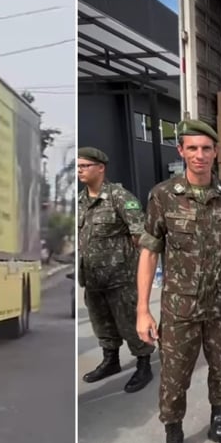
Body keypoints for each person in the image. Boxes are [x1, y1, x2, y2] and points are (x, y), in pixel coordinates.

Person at [136, 119, 221, 443]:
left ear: (216, 153)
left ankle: (218, 423)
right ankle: (174, 437)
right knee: (173, 376)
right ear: (181, 151)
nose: (200, 155)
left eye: (207, 148)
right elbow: (149, 252)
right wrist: (143, 309)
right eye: (192, 148)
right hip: (179, 306)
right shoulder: (163, 195)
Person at [77, 146, 155, 393]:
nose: (79, 170)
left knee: (131, 323)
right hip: (92, 279)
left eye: (85, 165)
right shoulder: (80, 201)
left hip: (120, 278)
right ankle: (111, 360)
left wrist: (140, 268)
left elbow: (140, 235)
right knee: (102, 324)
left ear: (100, 168)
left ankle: (144, 364)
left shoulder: (120, 197)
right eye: (77, 166)